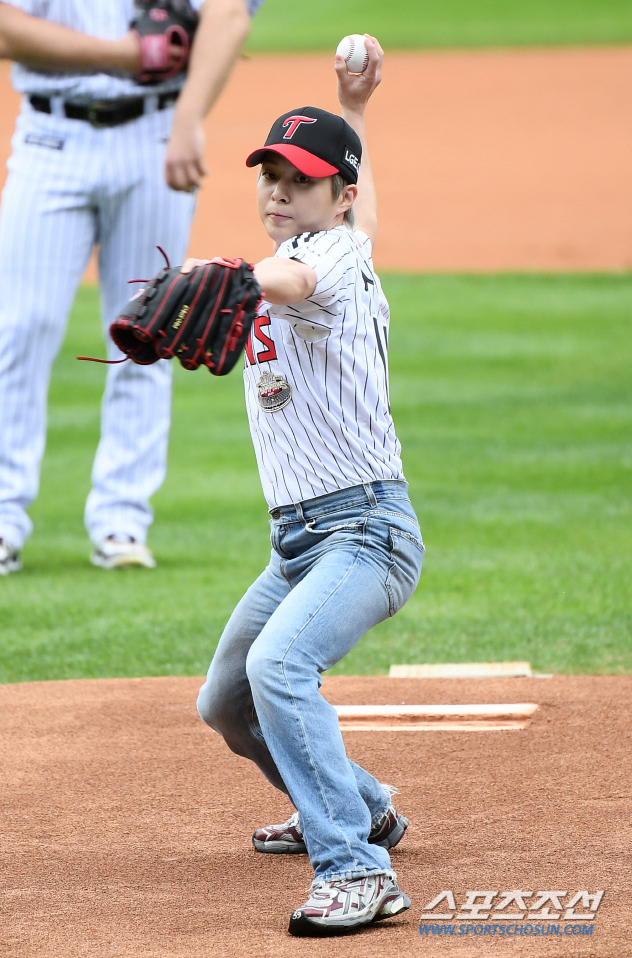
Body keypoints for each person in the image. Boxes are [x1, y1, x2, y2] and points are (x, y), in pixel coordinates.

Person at [194, 37, 425, 936]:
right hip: (297, 540)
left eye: (301, 178)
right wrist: (352, 108)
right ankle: (361, 806)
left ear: (338, 195)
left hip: (366, 530)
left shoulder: (327, 260)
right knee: (225, 701)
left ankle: (358, 871)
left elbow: (293, 271)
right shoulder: (326, 241)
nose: (279, 192)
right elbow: (321, 217)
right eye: (269, 175)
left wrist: (223, 277)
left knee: (278, 668)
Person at [0, 0, 261, 576]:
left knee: (148, 327)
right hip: (51, 139)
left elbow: (230, 14)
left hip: (155, 135)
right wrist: (129, 54)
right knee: (24, 326)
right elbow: (5, 29)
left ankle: (123, 519)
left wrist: (188, 121)